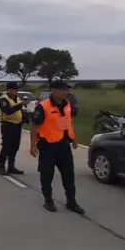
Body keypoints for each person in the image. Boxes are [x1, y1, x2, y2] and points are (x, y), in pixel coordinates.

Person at [30, 80, 84, 214]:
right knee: (47, 174)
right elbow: (34, 126)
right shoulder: (43, 106)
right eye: (63, 90)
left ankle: (71, 202)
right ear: (53, 91)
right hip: (48, 146)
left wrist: (73, 139)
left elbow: (66, 123)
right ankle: (48, 200)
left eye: (66, 90)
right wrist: (32, 145)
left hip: (63, 145)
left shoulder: (66, 104)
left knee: (69, 174)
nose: (66, 92)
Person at [0, 81, 27, 175]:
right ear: (9, 89)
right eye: (14, 89)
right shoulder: (3, 100)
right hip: (7, 125)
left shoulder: (17, 98)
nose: (15, 91)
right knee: (6, 146)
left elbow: (20, 111)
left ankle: (11, 166)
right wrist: (20, 105)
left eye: (16, 89)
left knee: (15, 146)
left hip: (17, 125)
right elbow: (8, 111)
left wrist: (25, 119)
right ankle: (1, 166)